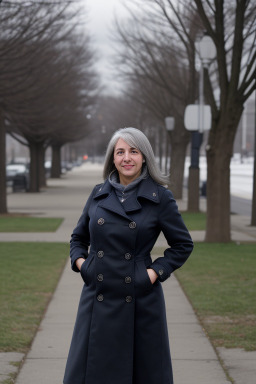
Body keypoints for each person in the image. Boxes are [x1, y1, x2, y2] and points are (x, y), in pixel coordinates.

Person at [63, 127, 193, 384]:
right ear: (113, 158)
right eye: (120, 152)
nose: (127, 158)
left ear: (144, 156)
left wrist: (153, 274)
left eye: (133, 151)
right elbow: (78, 238)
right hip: (96, 297)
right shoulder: (98, 193)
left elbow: (182, 245)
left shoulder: (160, 198)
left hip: (140, 300)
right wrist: (83, 265)